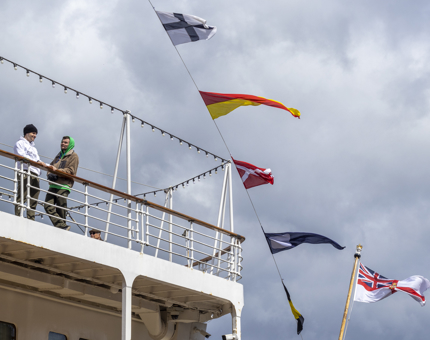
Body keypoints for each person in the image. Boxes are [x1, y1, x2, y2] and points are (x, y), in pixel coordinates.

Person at [44, 136, 79, 230]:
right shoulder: (59, 155)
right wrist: (50, 173)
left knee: (61, 206)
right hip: (53, 184)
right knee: (47, 205)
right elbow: (50, 166)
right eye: (62, 142)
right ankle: (62, 226)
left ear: (70, 144)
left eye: (66, 142)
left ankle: (62, 228)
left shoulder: (73, 156)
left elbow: (71, 171)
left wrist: (57, 172)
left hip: (64, 185)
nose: (63, 144)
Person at [13, 124, 46, 220]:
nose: (35, 136)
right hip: (25, 171)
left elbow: (38, 160)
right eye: (33, 133)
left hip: (35, 173)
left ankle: (31, 218)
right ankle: (18, 216)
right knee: (22, 194)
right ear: (27, 133)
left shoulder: (34, 148)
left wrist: (48, 166)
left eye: (36, 134)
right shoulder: (20, 143)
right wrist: (37, 162)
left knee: (34, 196)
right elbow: (21, 156)